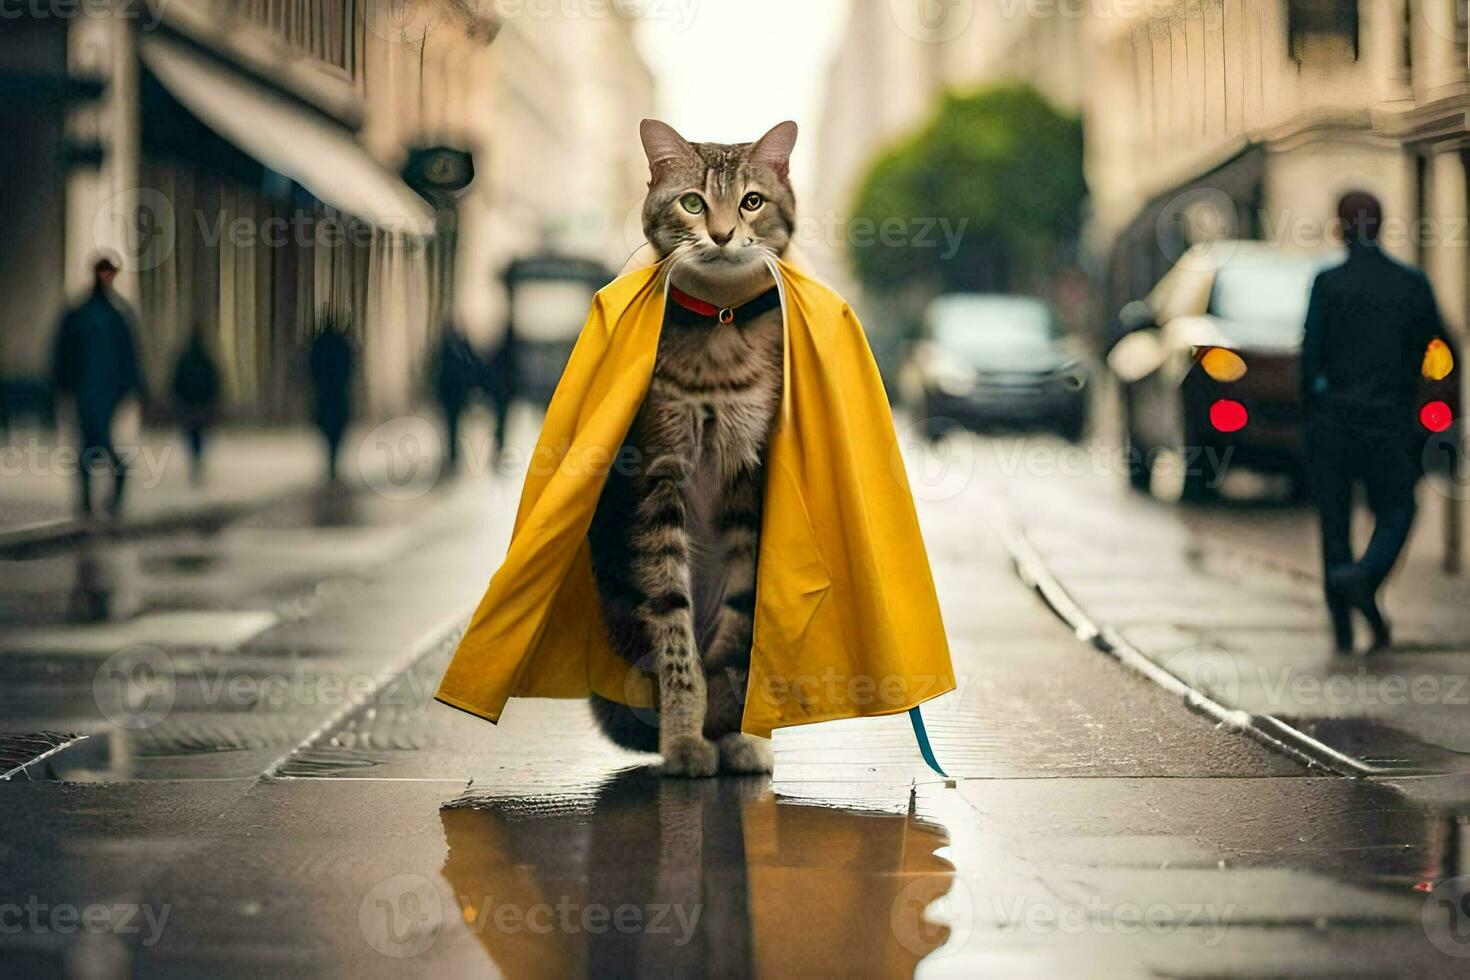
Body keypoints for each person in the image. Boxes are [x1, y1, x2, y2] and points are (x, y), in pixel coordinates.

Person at [1301, 191, 1444, 652]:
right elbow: (1445, 350)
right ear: (1381, 225)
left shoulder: (1327, 283)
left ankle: (1343, 628)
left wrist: (1312, 416)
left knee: (1335, 525)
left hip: (1335, 423)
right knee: (1400, 509)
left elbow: (1309, 362)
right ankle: (1364, 578)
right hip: (1390, 424)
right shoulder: (1411, 284)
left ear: (1341, 227)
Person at [51, 255, 145, 519]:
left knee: (95, 443)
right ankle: (91, 502)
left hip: (104, 391)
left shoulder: (113, 315)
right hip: (89, 390)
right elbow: (63, 354)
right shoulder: (88, 314)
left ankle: (93, 502)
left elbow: (129, 355)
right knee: (93, 443)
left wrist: (132, 387)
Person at [170, 324, 221, 485]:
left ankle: (195, 461)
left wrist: (176, 398)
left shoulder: (185, 358)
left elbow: (177, 380)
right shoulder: (206, 359)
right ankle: (196, 461)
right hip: (200, 403)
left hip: (188, 403)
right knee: (198, 435)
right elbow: (214, 381)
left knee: (192, 435)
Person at [308, 315, 355, 482]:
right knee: (334, 431)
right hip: (335, 394)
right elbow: (350, 364)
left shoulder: (321, 344)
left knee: (331, 431)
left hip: (327, 394)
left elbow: (312, 366)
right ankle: (332, 463)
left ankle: (332, 463)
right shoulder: (339, 344)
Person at [433, 323, 480, 472]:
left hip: (454, 396)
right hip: (452, 396)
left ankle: (453, 455)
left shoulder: (451, 352)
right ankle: (453, 455)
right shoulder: (457, 352)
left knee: (453, 426)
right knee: (452, 426)